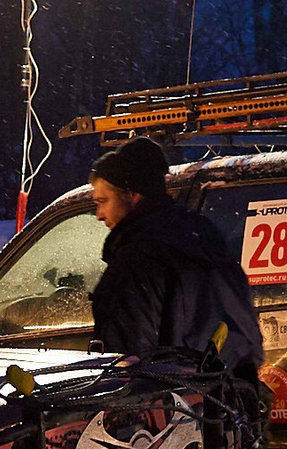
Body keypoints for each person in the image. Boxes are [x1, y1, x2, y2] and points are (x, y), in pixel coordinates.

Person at [87, 134, 263, 376]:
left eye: (103, 201)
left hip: (176, 403)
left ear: (132, 194)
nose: (98, 214)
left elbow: (126, 361)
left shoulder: (138, 259)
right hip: (231, 397)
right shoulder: (202, 235)